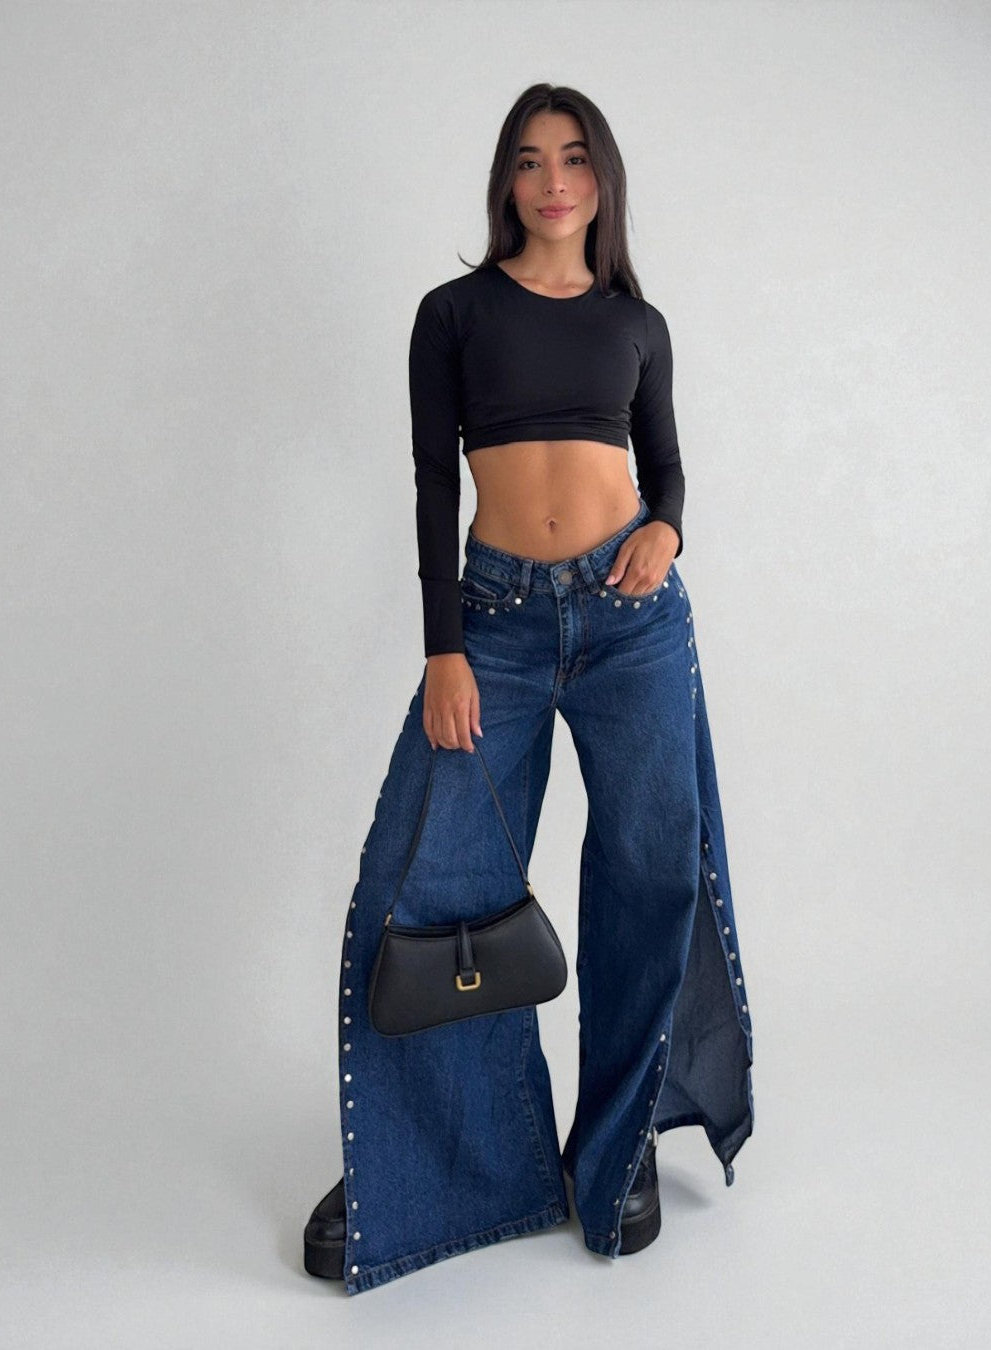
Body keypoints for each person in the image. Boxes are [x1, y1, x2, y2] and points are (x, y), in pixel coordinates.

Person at [304, 82, 754, 1297]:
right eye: (530, 159)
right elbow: (431, 483)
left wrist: (666, 529)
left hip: (632, 626)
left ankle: (620, 1144)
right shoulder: (452, 313)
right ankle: (424, 1165)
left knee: (651, 876)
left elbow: (666, 468)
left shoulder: (636, 321)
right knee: (426, 881)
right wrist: (443, 648)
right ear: (506, 181)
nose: (554, 181)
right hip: (494, 627)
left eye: (575, 158)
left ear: (603, 180)